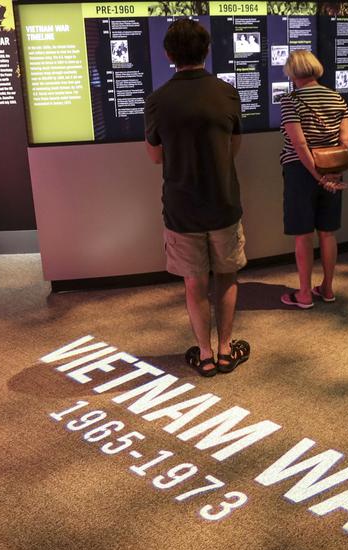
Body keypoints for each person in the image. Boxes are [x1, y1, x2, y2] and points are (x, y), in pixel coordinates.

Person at [144, 19, 250, 377]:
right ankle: (225, 351)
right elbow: (234, 147)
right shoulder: (227, 93)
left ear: (168, 54)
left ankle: (204, 355)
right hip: (223, 203)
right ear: (206, 51)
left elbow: (156, 156)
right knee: (227, 276)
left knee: (195, 283)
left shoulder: (157, 100)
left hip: (181, 207)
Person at [278, 50, 348, 309]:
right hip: (333, 172)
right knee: (328, 233)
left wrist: (317, 176)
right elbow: (346, 141)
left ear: (292, 71)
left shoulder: (290, 101)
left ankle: (305, 294)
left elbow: (299, 145)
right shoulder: (337, 98)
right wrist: (331, 174)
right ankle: (328, 288)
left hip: (301, 173)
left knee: (303, 236)